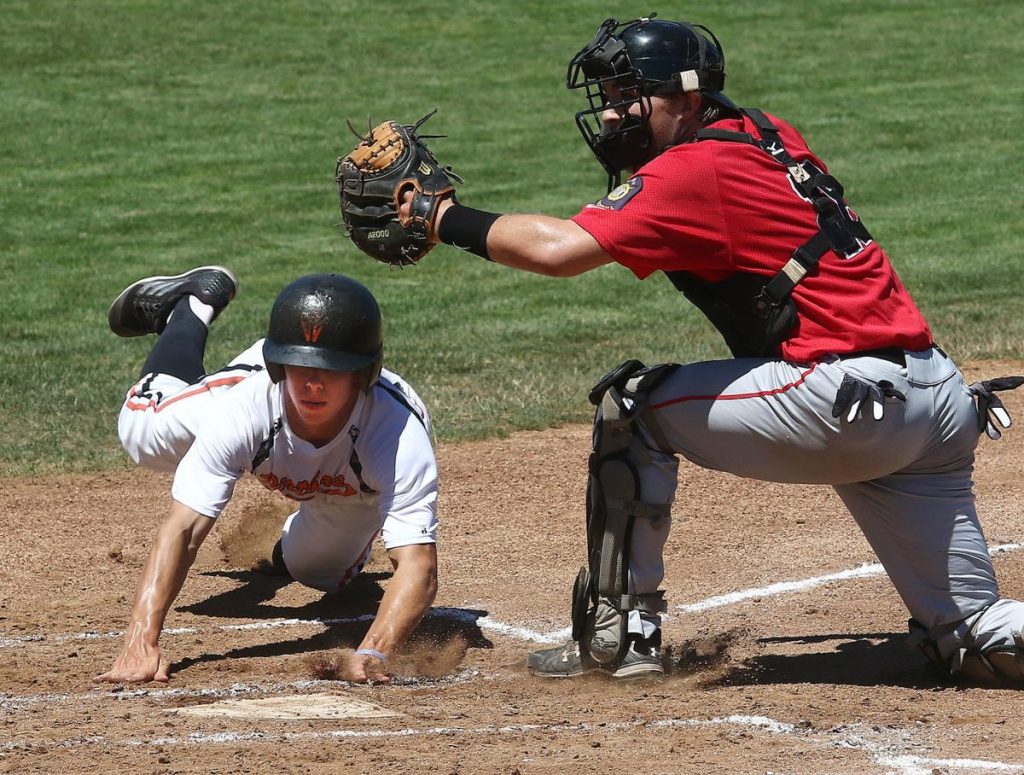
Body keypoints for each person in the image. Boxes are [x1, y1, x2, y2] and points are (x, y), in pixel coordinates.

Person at [407, 16, 1024, 684]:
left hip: (843, 399)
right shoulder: (764, 133)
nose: (612, 115)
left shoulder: (695, 169)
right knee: (970, 637)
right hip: (935, 402)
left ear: (689, 100)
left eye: (628, 96)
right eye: (609, 97)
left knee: (634, 407)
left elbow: (558, 251)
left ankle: (618, 639)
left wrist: (438, 217)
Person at [96, 267, 439, 685]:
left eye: (330, 370)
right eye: (299, 365)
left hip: (355, 491)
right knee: (141, 433)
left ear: (361, 373)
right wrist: (140, 640)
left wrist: (373, 652)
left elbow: (419, 564)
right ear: (278, 364)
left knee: (318, 573)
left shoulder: (397, 435)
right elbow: (184, 528)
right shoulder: (245, 406)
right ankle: (188, 307)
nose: (312, 383)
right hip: (248, 403)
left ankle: (277, 551)